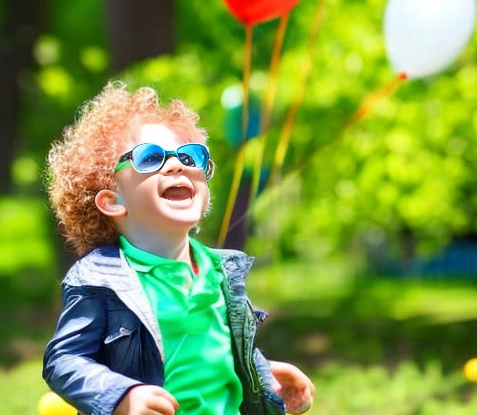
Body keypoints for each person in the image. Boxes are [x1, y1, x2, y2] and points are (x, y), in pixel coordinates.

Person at [42, 82, 315, 415]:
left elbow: (216, 352)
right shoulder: (102, 280)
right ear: (113, 201)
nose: (176, 165)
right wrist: (121, 396)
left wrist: (262, 372)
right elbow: (64, 360)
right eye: (150, 158)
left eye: (190, 156)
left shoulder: (221, 272)